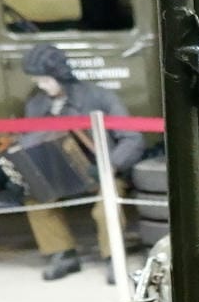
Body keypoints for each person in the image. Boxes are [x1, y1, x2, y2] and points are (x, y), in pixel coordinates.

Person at [17, 44, 143, 282]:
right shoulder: (36, 105)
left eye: (46, 79)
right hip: (56, 175)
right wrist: (23, 173)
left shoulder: (100, 97)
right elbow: (30, 143)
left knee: (107, 204)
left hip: (100, 172)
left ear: (60, 75)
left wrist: (109, 166)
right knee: (35, 199)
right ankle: (62, 253)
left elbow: (132, 139)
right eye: (38, 80)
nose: (41, 85)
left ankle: (112, 257)